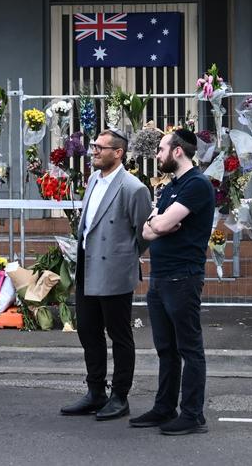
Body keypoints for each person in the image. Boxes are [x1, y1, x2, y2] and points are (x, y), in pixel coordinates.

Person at [60, 128, 151, 420]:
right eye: (94, 146)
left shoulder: (133, 187)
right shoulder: (92, 180)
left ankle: (120, 396)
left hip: (115, 270)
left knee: (119, 334)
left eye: (100, 147)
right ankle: (95, 391)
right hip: (87, 267)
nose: (94, 151)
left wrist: (122, 256)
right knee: (88, 331)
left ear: (118, 153)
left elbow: (144, 233)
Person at [131, 128, 214, 435]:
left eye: (162, 149)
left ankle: (192, 415)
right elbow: (148, 230)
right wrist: (160, 224)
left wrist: (161, 224)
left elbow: (161, 222)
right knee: (166, 348)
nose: (158, 154)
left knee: (190, 349)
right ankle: (165, 408)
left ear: (178, 151)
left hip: (183, 278)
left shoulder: (197, 185)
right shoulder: (170, 187)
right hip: (160, 277)